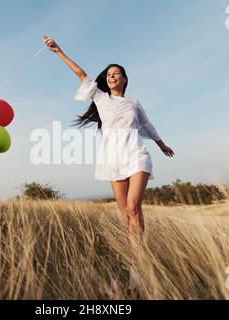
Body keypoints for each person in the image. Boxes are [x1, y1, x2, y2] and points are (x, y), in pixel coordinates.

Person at [43, 35, 174, 243]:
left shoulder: (133, 102)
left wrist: (161, 144)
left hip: (136, 155)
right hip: (112, 158)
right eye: (109, 74)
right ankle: (133, 258)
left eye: (117, 74)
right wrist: (58, 51)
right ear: (106, 80)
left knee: (133, 206)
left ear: (124, 79)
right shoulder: (100, 98)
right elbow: (80, 74)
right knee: (124, 213)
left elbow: (147, 125)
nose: (112, 76)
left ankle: (142, 256)